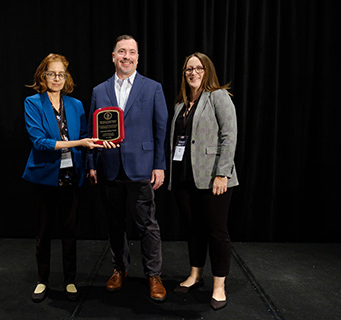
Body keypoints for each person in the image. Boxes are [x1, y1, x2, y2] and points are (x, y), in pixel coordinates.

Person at [86, 35, 169, 301]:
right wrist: (92, 164)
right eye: (121, 51)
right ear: (113, 56)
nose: (127, 56)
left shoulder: (152, 87)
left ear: (137, 57)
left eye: (132, 52)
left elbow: (160, 130)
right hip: (109, 167)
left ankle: (153, 275)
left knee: (147, 224)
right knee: (114, 224)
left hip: (142, 167)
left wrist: (159, 165)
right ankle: (119, 269)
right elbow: (91, 130)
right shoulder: (99, 91)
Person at [22, 53, 103, 303]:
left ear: (66, 77)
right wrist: (78, 142)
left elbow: (89, 138)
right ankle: (42, 280)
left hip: (72, 175)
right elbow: (40, 142)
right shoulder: (33, 102)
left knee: (70, 231)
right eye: (51, 73)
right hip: (45, 177)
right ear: (42, 77)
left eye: (61, 74)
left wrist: (92, 162)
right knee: (44, 232)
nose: (57, 78)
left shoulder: (77, 105)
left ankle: (70, 280)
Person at [168, 52, 238, 310]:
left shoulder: (218, 96)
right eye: (188, 69)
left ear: (207, 71)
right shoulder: (180, 104)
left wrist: (223, 173)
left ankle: (219, 285)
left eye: (198, 69)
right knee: (193, 229)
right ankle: (195, 274)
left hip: (213, 178)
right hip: (185, 177)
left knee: (217, 232)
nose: (193, 73)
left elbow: (229, 136)